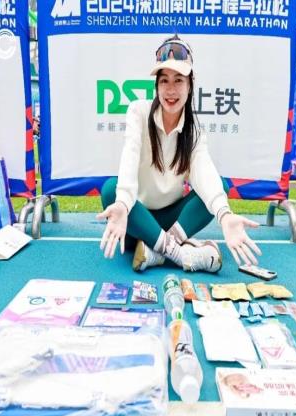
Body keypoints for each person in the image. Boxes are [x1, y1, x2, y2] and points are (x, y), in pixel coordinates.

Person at [98, 35, 261, 272]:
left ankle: (157, 250)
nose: (171, 90)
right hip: (136, 219)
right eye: (164, 80)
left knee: (221, 188)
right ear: (156, 86)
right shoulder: (138, 112)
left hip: (172, 221)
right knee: (111, 190)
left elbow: (205, 174)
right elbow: (130, 156)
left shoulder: (194, 131)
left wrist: (225, 216)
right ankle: (180, 253)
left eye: (179, 80)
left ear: (190, 85)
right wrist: (123, 203)